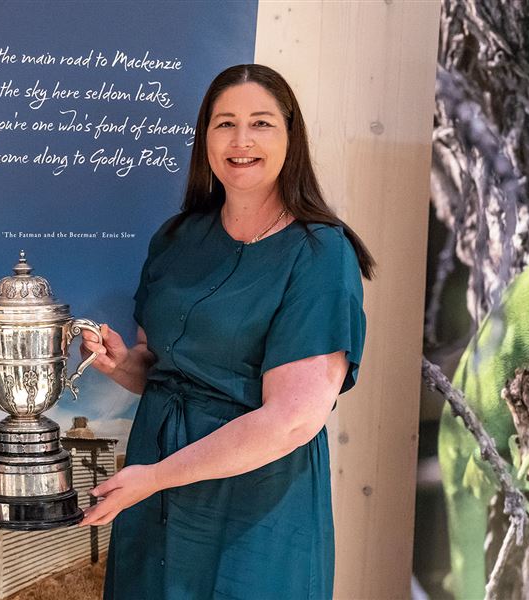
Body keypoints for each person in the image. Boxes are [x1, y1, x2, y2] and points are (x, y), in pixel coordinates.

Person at [79, 64, 375, 600]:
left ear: (291, 137)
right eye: (224, 124)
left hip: (255, 510)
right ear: (205, 138)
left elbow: (291, 421)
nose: (241, 141)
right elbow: (162, 366)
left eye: (260, 124)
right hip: (155, 500)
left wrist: (156, 477)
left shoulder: (320, 255)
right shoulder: (175, 238)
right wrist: (122, 364)